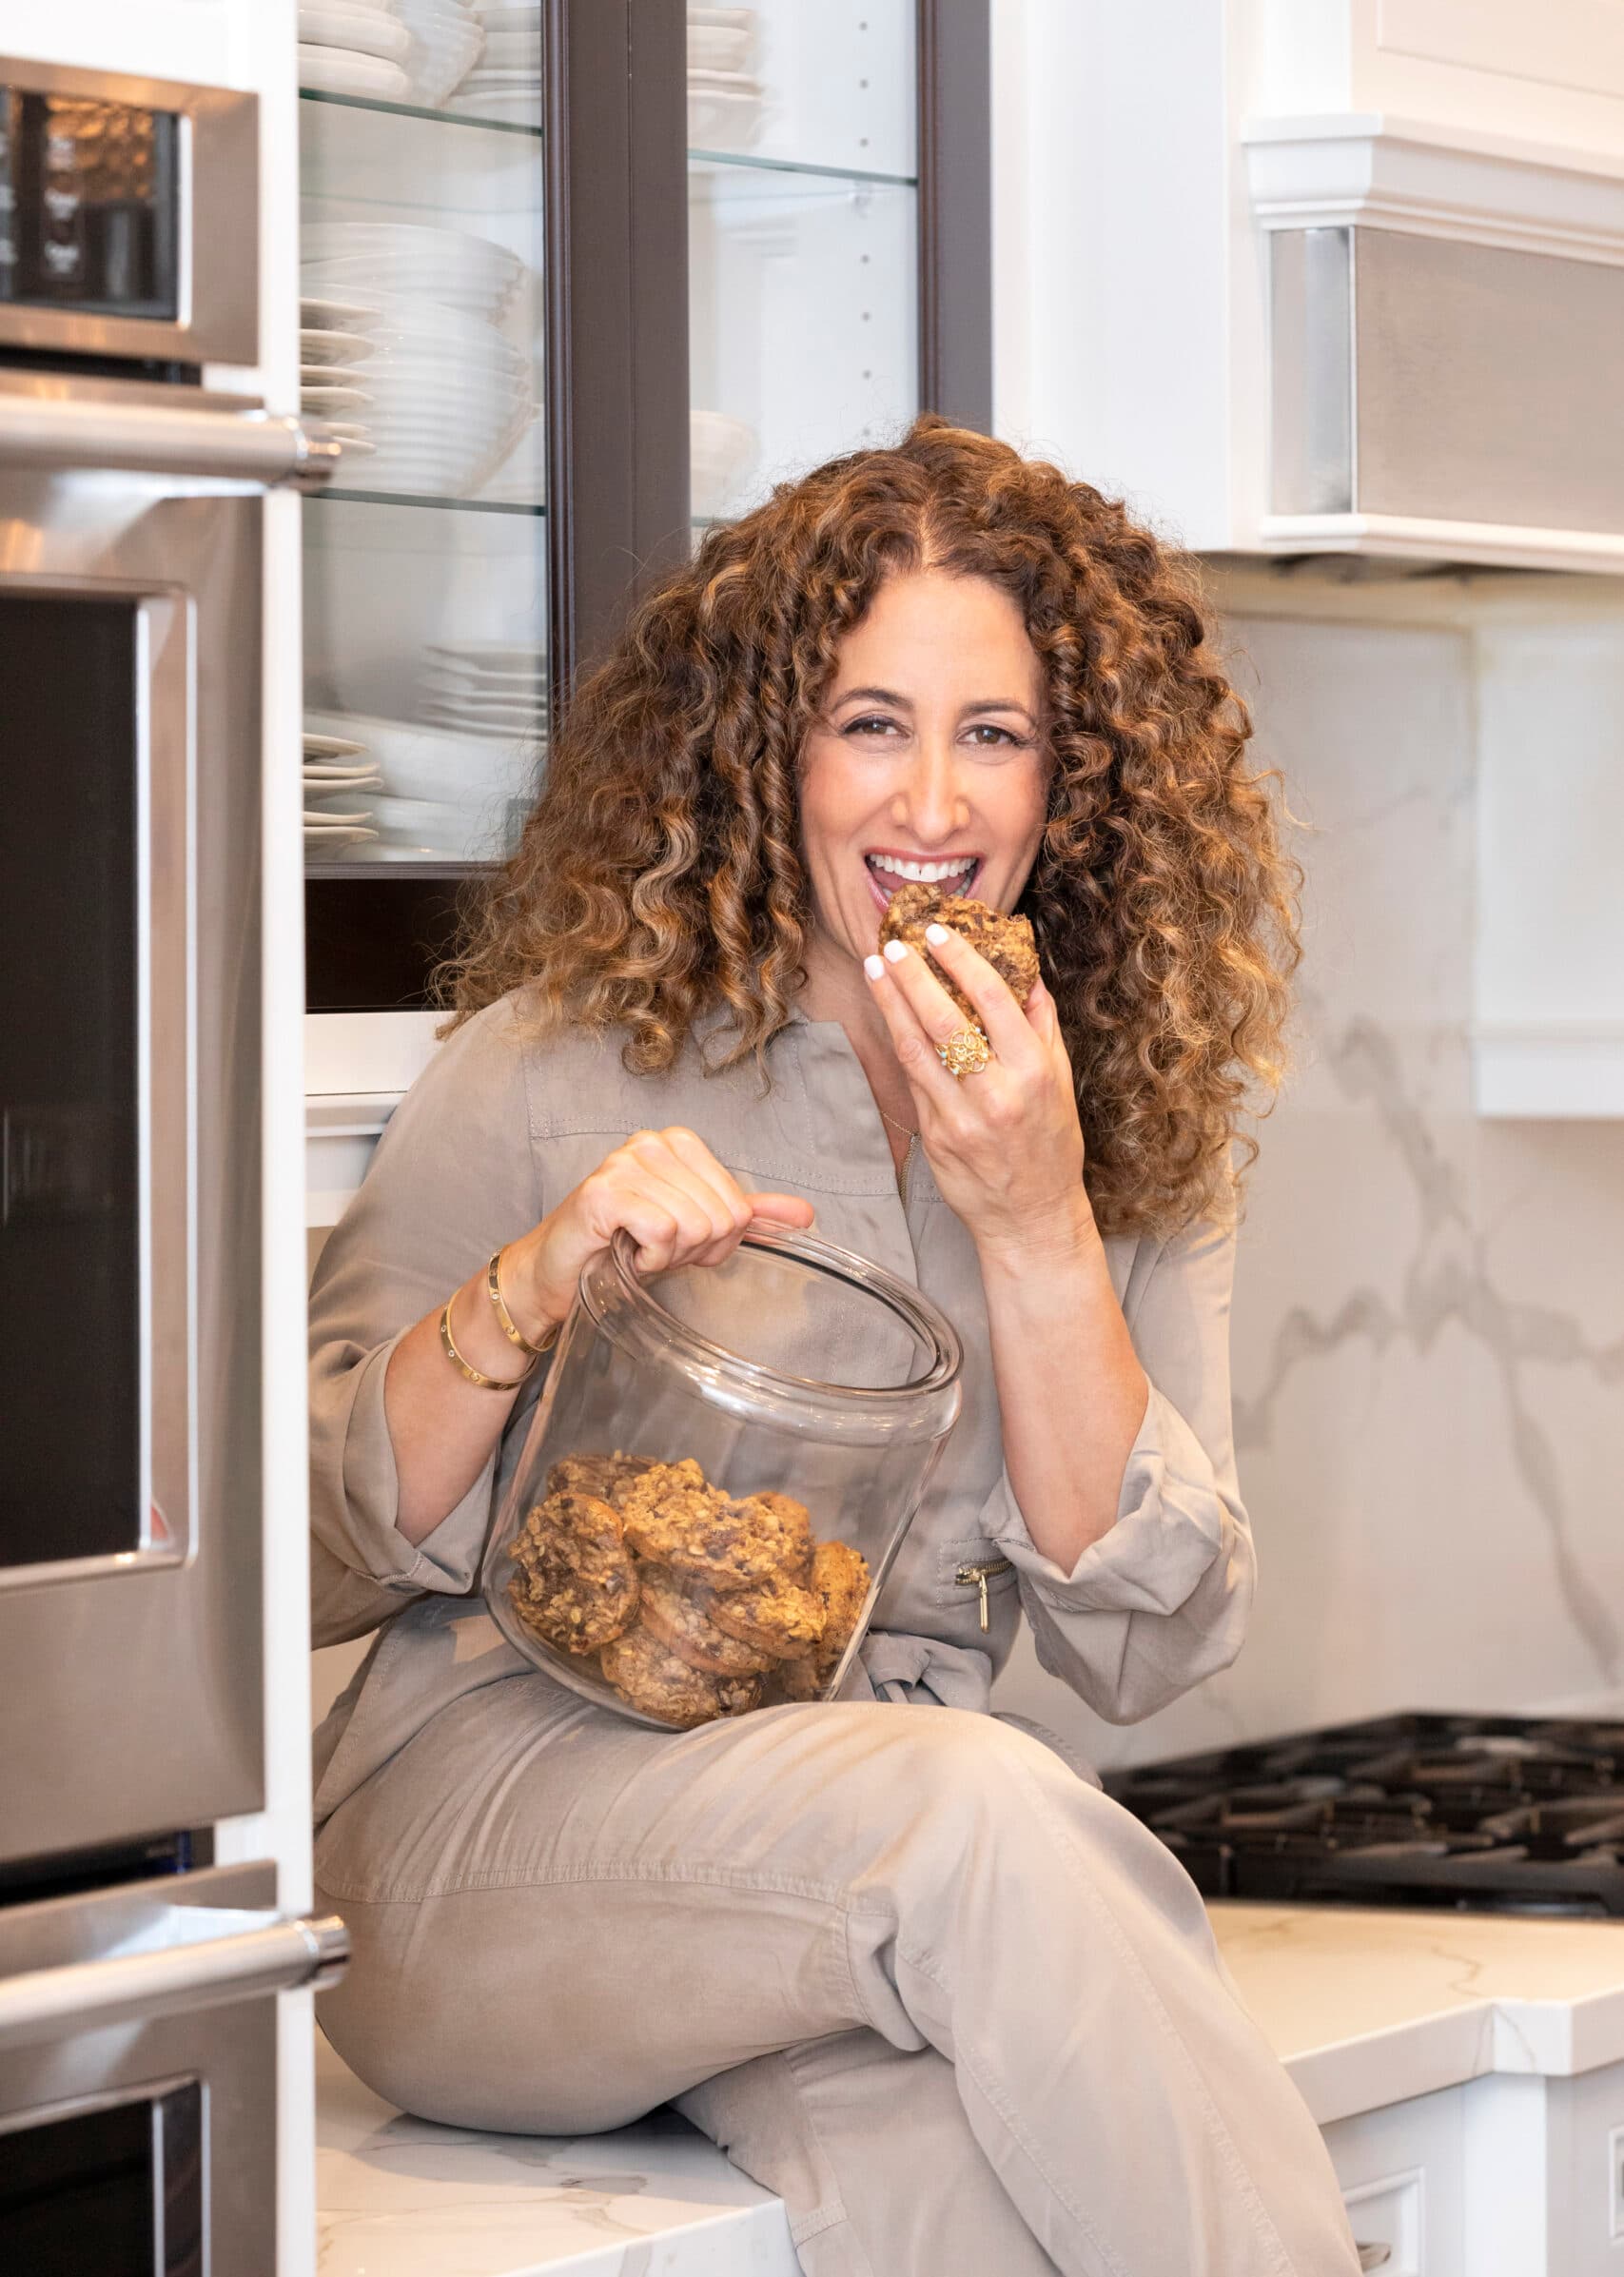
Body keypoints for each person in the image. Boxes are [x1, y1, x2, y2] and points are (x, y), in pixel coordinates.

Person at [308, 416, 1361, 2274]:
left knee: (981, 2197)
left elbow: (1148, 1643)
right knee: (969, 1812)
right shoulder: (559, 1062)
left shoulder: (1103, 1119)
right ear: (765, 751)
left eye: (993, 734)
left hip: (822, 1898)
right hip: (480, 1845)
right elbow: (292, 1560)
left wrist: (1034, 1217)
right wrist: (525, 1290)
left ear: (1075, 780)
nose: (929, 806)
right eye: (868, 724)